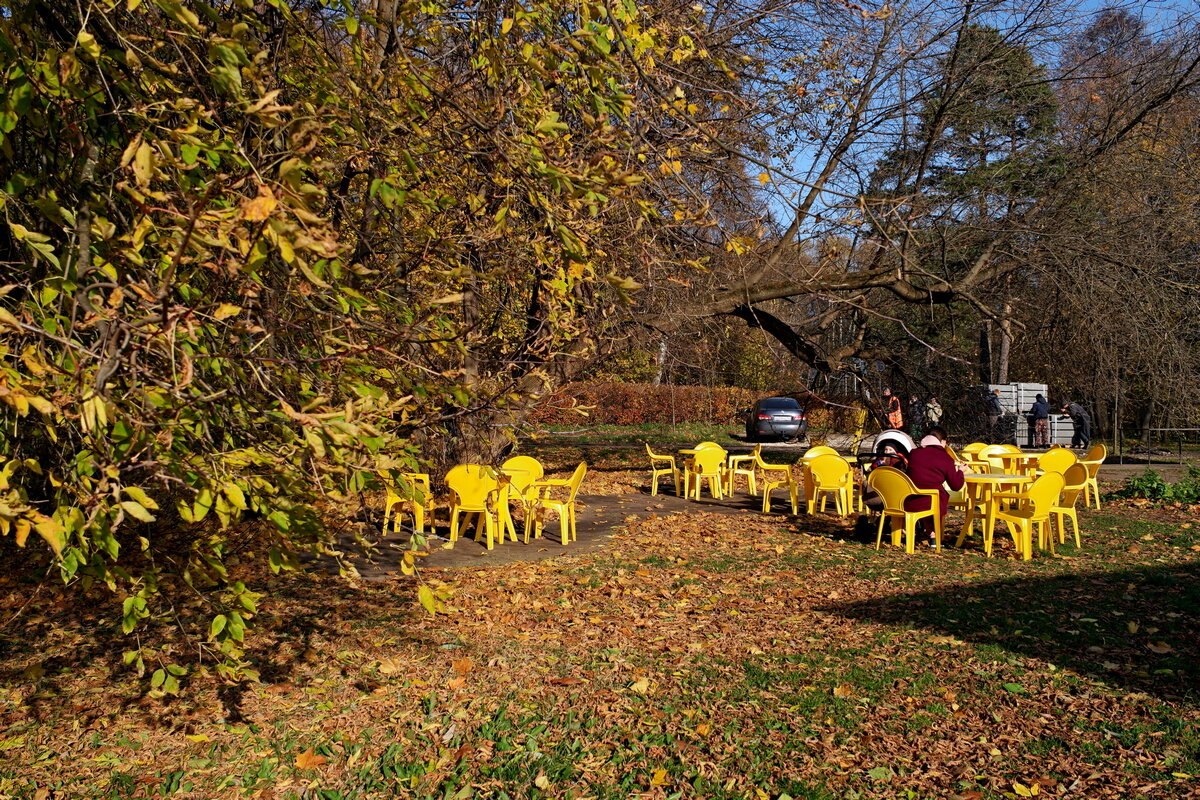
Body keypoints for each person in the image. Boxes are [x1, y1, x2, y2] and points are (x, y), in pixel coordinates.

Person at [904, 426, 965, 546]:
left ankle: (930, 532)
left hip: (910, 499)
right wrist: (960, 471)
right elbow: (956, 486)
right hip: (932, 502)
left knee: (927, 491)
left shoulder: (914, 453)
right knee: (936, 495)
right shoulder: (945, 458)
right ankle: (934, 535)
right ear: (943, 442)